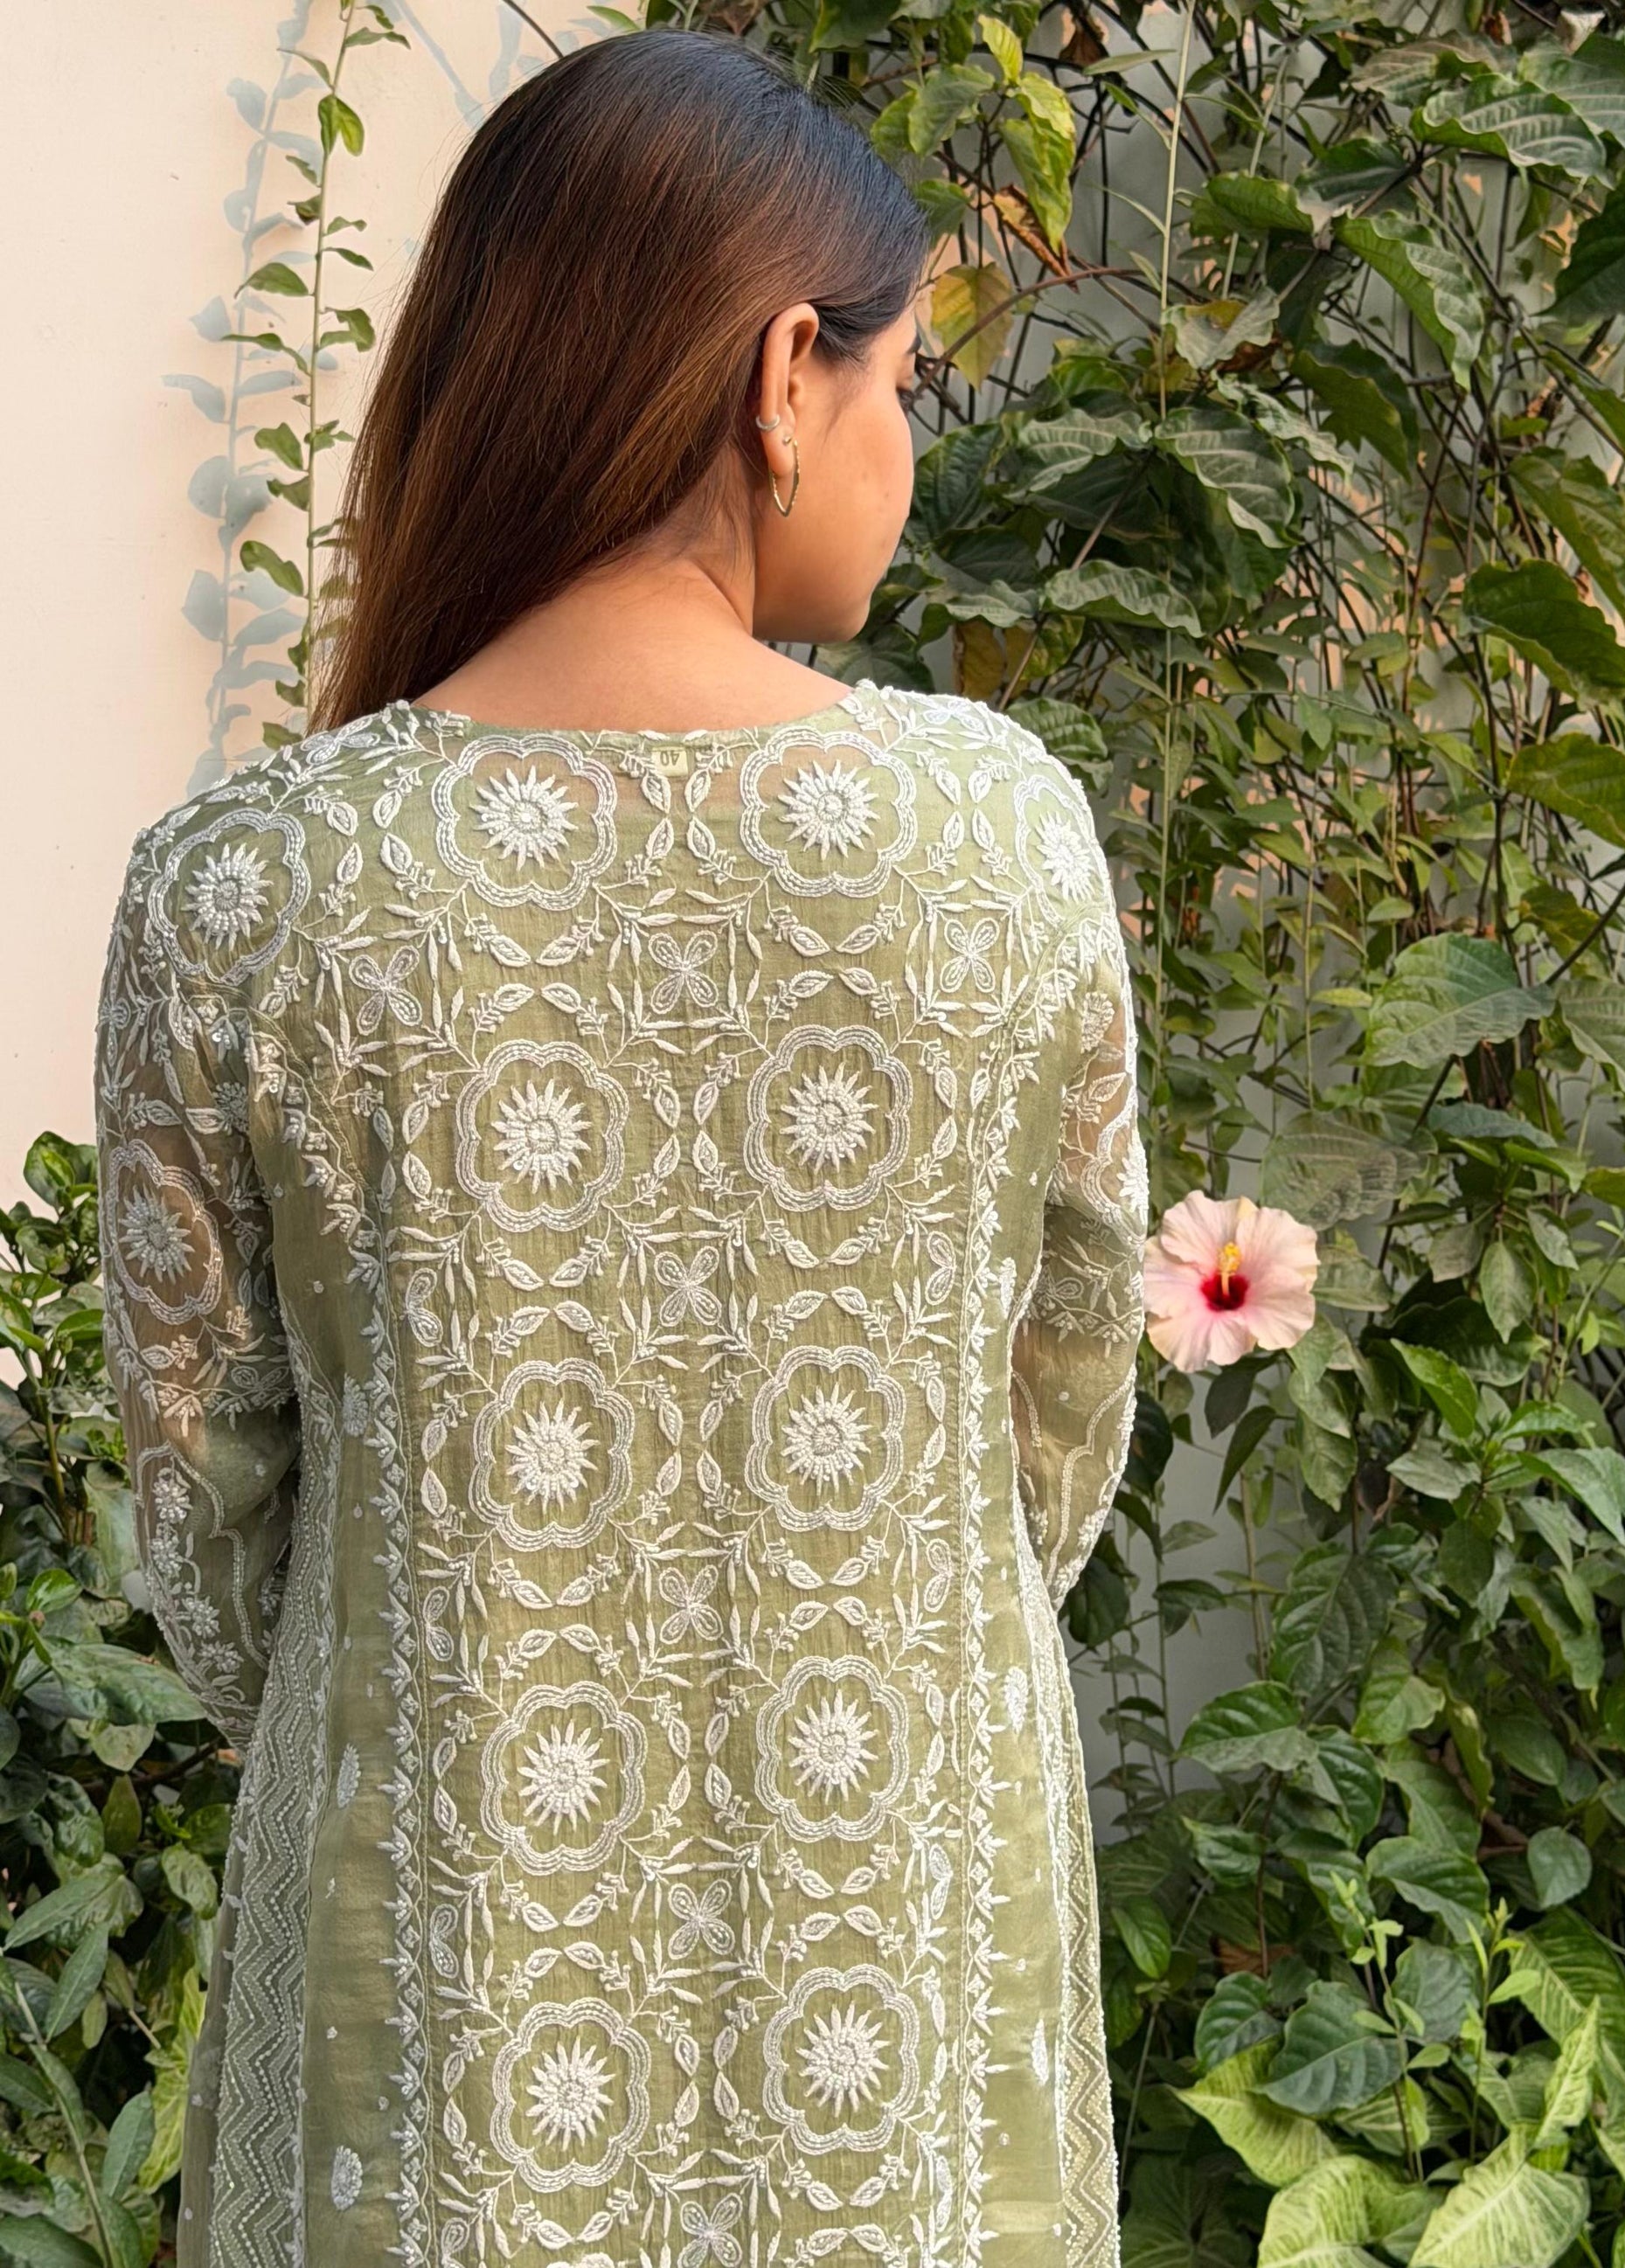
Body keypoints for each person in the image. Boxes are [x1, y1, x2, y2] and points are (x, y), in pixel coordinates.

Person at [93, 26, 1148, 2268]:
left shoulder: (247, 886)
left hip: (440, 2027)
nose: (903, 445)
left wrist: (452, 1650)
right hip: (893, 1994)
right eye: (902, 383)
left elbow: (211, 1515)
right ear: (783, 378)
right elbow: (1052, 1427)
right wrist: (849, 1611)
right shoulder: (1001, 845)